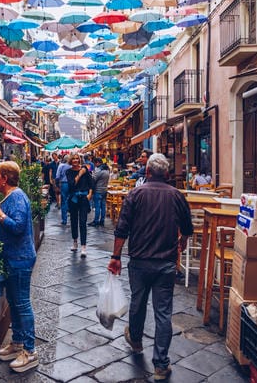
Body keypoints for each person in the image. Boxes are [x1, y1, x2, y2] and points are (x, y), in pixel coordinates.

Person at [107, 153, 193, 381]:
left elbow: (122, 227)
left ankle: (135, 340)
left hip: (140, 261)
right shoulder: (176, 195)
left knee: (138, 302)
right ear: (166, 174)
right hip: (165, 262)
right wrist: (182, 241)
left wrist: (115, 256)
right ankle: (161, 364)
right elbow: (187, 225)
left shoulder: (136, 194)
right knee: (163, 313)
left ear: (147, 172)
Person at [0, 161, 38, 373]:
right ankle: (18, 342)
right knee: (14, 301)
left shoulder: (17, 197)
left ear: (5, 178)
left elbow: (18, 227)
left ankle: (30, 351)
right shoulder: (11, 196)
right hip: (12, 257)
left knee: (21, 303)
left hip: (20, 258)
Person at [66, 154, 93, 257]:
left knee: (83, 222)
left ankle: (83, 246)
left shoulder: (85, 169)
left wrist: (90, 195)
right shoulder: (68, 172)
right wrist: (80, 174)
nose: (76, 161)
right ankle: (75, 242)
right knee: (73, 221)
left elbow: (91, 183)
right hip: (73, 199)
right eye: (73, 159)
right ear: (71, 161)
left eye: (77, 159)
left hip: (84, 199)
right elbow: (72, 185)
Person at [89, 158, 110, 227]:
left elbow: (94, 179)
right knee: (103, 206)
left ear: (98, 162)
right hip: (104, 190)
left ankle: (96, 221)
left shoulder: (99, 170)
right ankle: (102, 221)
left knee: (97, 206)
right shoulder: (107, 170)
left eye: (95, 163)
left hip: (98, 190)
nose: (95, 165)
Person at [54, 154, 71, 225]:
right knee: (71, 200)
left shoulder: (61, 166)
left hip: (64, 184)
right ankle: (72, 216)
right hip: (71, 184)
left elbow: (57, 176)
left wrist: (57, 185)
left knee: (63, 201)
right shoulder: (71, 166)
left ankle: (64, 220)